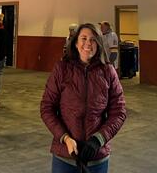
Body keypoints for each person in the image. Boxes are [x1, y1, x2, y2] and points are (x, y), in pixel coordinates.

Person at [41, 23, 126, 172]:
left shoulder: (108, 71)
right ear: (75, 42)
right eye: (84, 38)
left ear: (98, 43)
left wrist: (98, 139)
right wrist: (65, 138)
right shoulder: (62, 69)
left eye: (93, 39)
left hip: (96, 158)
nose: (88, 43)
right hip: (65, 157)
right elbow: (47, 108)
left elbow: (119, 112)